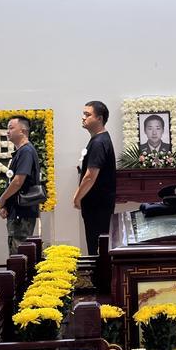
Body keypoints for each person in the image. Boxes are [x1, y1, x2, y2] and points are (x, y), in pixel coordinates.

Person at [73, 101, 116, 247]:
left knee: (97, 247)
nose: (83, 117)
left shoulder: (99, 142)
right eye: (83, 114)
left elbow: (90, 176)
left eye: (87, 114)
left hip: (98, 206)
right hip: (97, 206)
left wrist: (77, 197)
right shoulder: (98, 139)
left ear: (99, 118)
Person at [0, 115, 41, 254]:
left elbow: (18, 181)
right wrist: (7, 205)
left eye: (11, 128)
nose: (7, 131)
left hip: (22, 213)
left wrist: (2, 199)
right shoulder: (21, 151)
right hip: (17, 212)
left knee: (19, 255)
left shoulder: (26, 151)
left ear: (23, 131)